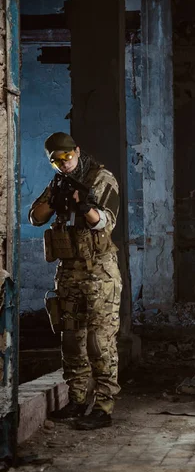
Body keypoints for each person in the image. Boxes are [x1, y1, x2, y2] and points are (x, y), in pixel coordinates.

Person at [29, 132, 122, 430]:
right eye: (56, 161)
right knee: (71, 339)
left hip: (99, 272)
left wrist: (85, 208)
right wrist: (55, 201)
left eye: (67, 158)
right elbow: (35, 217)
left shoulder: (101, 179)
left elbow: (106, 221)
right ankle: (78, 400)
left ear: (77, 152)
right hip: (69, 272)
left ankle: (104, 406)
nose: (63, 165)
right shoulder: (58, 182)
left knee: (99, 341)